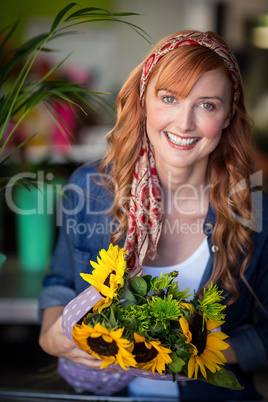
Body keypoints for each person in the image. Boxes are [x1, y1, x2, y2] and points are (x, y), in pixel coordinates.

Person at [38, 30, 268, 401]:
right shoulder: (89, 190)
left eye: (207, 104)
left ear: (227, 116)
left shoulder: (255, 214)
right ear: (144, 101)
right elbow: (61, 283)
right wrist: (50, 335)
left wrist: (183, 353)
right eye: (169, 98)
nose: (184, 123)